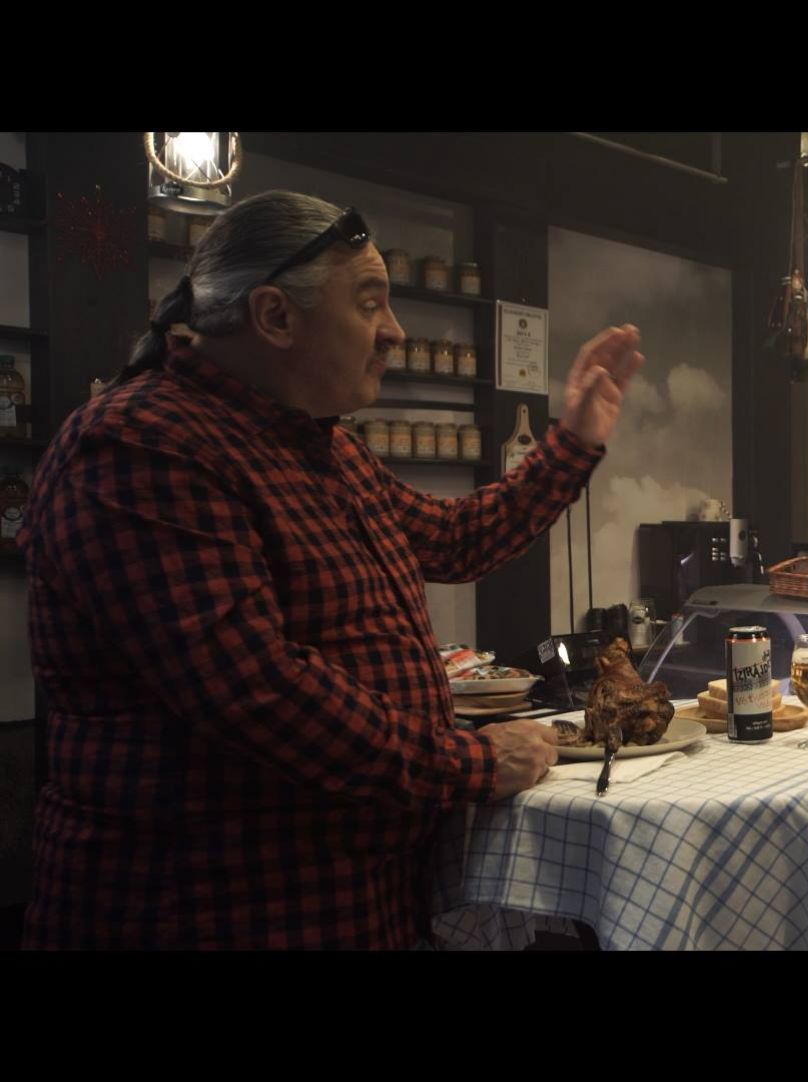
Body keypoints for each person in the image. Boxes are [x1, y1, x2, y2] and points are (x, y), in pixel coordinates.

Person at [21, 191, 643, 948]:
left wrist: (571, 444)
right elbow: (256, 692)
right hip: (201, 906)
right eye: (370, 304)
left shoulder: (323, 446)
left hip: (350, 900)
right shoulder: (140, 443)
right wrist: (469, 762)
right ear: (276, 317)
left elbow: (454, 540)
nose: (395, 331)